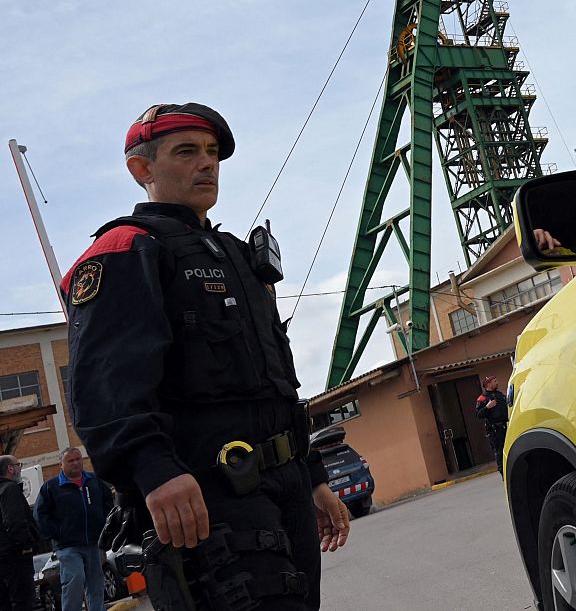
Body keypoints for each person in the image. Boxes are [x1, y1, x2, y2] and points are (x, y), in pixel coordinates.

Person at [61, 103, 351, 610]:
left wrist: (314, 478)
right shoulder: (128, 249)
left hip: (284, 487)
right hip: (208, 492)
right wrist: (153, 470)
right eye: (187, 151)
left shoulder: (236, 255)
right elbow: (105, 384)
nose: (207, 164)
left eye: (213, 153)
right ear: (141, 169)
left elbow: (276, 383)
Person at [34, 447, 114, 611]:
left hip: (94, 542)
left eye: (78, 459)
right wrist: (58, 532)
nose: (76, 463)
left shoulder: (94, 481)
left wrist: (106, 527)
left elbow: (109, 504)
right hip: (68, 546)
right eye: (71, 460)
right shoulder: (51, 487)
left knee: (96, 584)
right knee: (74, 579)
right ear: (61, 464)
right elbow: (40, 515)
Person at [0, 456, 38, 611]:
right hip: (15, 557)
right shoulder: (10, 489)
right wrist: (26, 544)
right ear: (10, 468)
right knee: (23, 602)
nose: (20, 469)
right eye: (18, 465)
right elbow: (14, 522)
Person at [474, 376, 510, 473]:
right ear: (488, 384)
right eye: (494, 381)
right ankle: (503, 472)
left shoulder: (499, 395)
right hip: (495, 430)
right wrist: (487, 407)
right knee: (499, 452)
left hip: (506, 426)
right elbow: (478, 414)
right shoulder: (482, 398)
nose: (497, 382)